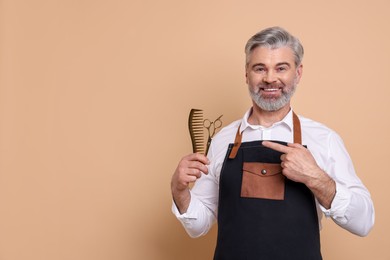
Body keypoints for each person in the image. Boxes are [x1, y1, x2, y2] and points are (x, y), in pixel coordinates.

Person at [171, 26, 374, 259]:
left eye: (281, 68)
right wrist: (179, 192)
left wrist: (315, 177)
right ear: (247, 74)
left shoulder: (324, 139)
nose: (269, 78)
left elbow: (364, 222)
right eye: (260, 68)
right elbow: (198, 226)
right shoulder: (221, 140)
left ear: (297, 73)